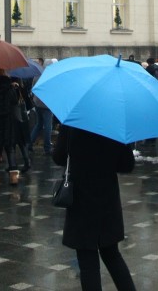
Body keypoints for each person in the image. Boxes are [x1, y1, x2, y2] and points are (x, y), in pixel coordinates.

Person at [52, 125, 137, 291]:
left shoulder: (73, 121)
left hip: (81, 199)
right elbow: (127, 164)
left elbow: (59, 157)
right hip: (107, 199)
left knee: (87, 262)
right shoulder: (113, 123)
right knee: (112, 254)